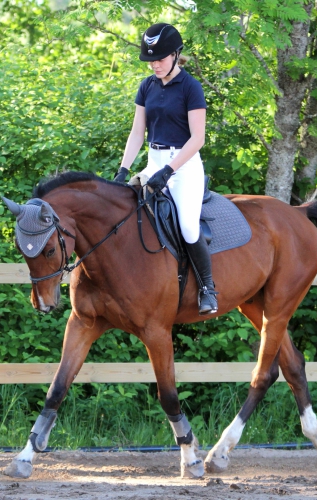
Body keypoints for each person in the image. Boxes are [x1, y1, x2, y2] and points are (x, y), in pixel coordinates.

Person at [113, 23, 218, 315]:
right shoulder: (146, 86)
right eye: (151, 60)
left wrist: (170, 170)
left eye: (160, 59)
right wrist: (123, 169)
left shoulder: (190, 87)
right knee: (122, 210)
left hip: (183, 166)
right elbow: (137, 133)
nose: (155, 65)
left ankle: (208, 287)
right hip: (154, 161)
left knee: (186, 225)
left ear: (175, 55)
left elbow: (198, 139)